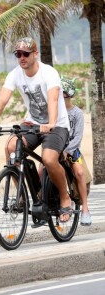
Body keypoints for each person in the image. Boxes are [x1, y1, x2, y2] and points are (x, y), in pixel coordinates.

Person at [0, 37, 72, 223]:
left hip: (57, 125)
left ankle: (64, 197)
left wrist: (51, 123)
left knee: (48, 159)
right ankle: (24, 195)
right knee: (11, 147)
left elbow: (53, 100)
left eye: (25, 54)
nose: (21, 58)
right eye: (18, 54)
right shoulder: (15, 74)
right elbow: (2, 100)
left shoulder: (49, 73)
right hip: (32, 123)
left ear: (35, 54)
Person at [61, 78, 92, 226]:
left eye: (65, 93)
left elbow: (78, 138)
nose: (62, 96)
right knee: (42, 171)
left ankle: (85, 208)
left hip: (73, 151)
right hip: (56, 149)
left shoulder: (77, 113)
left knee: (79, 173)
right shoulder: (54, 113)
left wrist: (67, 150)